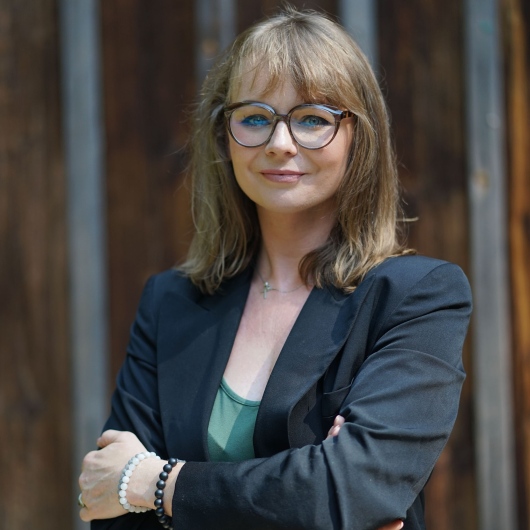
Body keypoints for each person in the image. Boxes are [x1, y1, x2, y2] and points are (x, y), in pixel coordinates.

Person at [78, 7, 472, 530]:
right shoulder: (170, 303)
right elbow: (112, 511)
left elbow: (347, 490)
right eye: (255, 117)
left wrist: (158, 483)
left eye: (312, 119)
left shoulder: (417, 298)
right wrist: (307, 486)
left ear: (358, 136)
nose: (280, 143)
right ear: (224, 135)